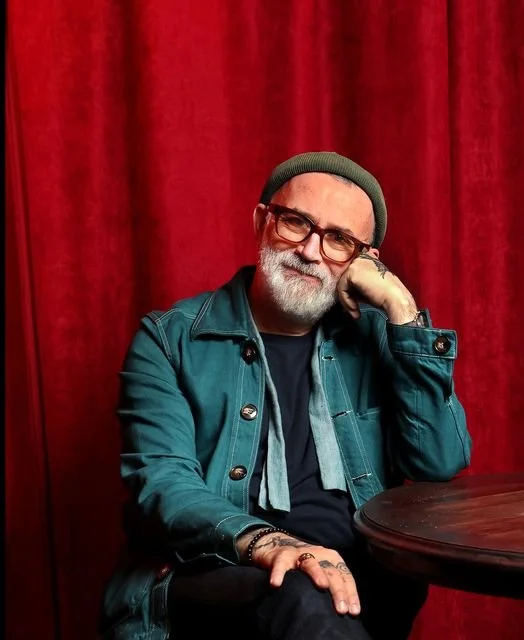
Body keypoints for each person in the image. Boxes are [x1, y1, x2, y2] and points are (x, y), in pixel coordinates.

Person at [98, 152, 472, 640]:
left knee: (346, 594)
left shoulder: (380, 338)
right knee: (301, 593)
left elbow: (438, 461)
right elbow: (163, 485)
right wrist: (272, 544)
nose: (311, 251)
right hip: (218, 576)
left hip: (356, 583)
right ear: (262, 222)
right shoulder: (170, 340)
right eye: (296, 222)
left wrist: (403, 311)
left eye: (339, 239)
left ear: (365, 262)